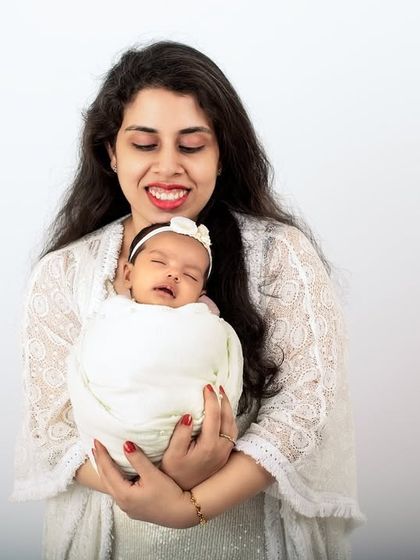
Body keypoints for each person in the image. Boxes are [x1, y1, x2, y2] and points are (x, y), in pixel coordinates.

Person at [12, 40, 364, 559]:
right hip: (114, 538)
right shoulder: (65, 273)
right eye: (145, 145)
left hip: (256, 539)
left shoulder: (277, 255)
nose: (169, 166)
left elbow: (305, 407)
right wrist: (148, 487)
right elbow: (54, 429)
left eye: (193, 146)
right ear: (111, 153)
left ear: (222, 155)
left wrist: (191, 503)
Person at [67, 216, 243, 475]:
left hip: (193, 445)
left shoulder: (205, 325)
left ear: (200, 296)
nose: (173, 274)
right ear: (128, 274)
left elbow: (227, 369)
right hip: (113, 440)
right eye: (159, 262)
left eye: (190, 275)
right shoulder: (109, 316)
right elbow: (84, 362)